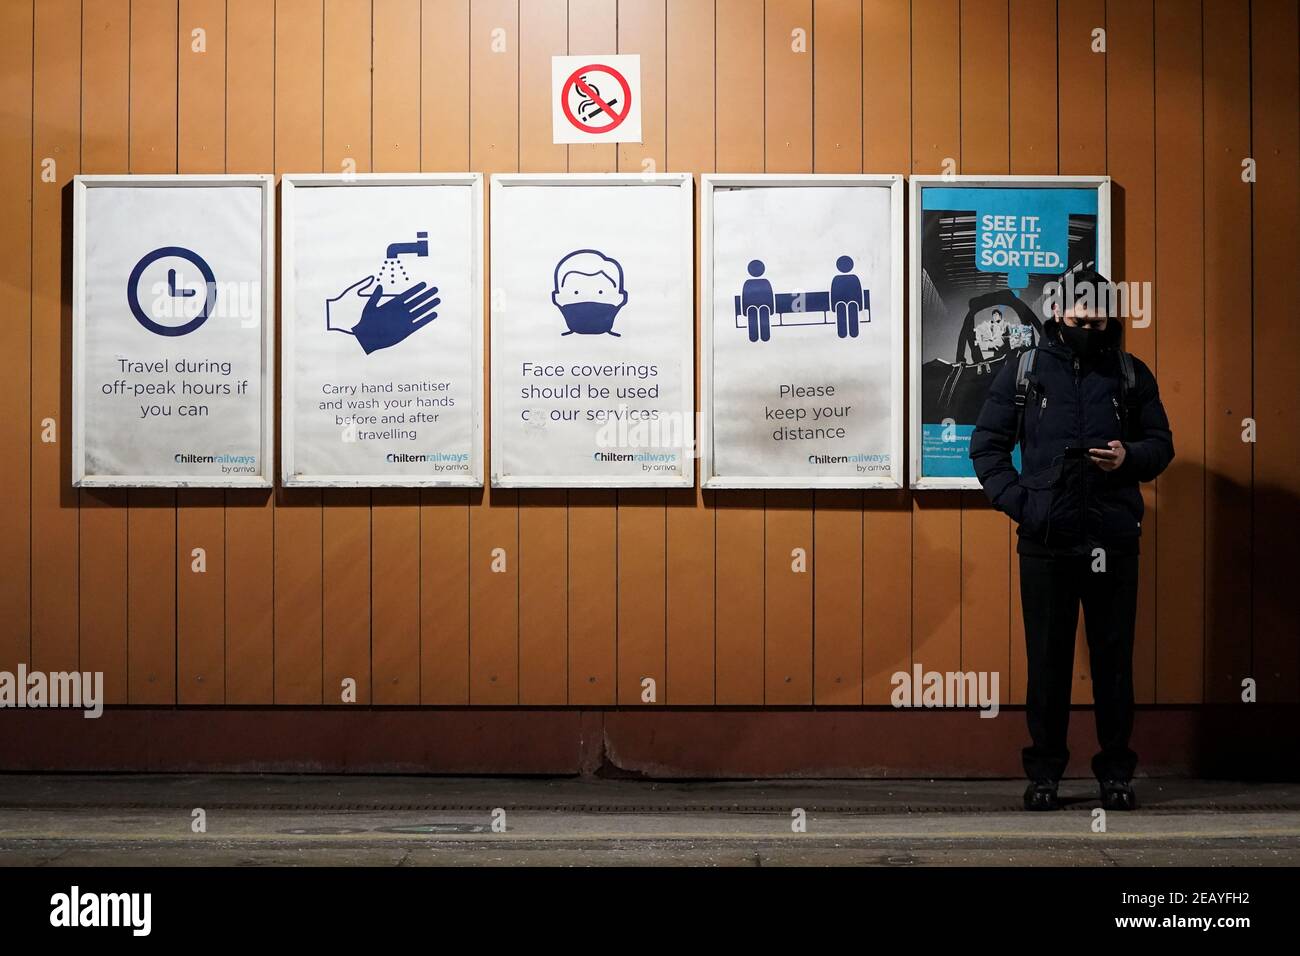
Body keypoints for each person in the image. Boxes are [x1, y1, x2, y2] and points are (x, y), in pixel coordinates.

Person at [969, 267, 1174, 812]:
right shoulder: (1026, 369)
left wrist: (1130, 457)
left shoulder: (1132, 374)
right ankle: (1044, 775)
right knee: (1048, 663)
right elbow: (987, 447)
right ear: (1059, 311)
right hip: (1046, 542)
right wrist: (1024, 505)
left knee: (1113, 661)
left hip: (1113, 539)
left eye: (1099, 313)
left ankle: (1115, 775)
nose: (1090, 322)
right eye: (1080, 313)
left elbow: (1161, 446)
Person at [829, 255, 863, 338]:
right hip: (851, 302)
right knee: (850, 306)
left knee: (842, 307)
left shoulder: (836, 279)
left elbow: (833, 294)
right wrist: (860, 306)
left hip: (840, 302)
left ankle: (844, 332)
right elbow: (859, 293)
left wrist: (834, 307)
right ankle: (853, 331)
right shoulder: (854, 278)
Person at [741, 259, 774, 342]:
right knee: (763, 310)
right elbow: (771, 297)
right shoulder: (765, 282)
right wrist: (772, 310)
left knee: (754, 311)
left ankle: (754, 336)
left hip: (752, 307)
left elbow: (744, 299)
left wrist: (745, 311)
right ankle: (764, 335)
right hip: (764, 307)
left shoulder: (747, 283)